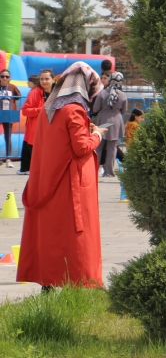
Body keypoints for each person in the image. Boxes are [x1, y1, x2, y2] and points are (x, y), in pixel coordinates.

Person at [18, 62, 105, 288]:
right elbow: (80, 147)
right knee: (74, 236)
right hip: (71, 182)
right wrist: (97, 136)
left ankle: (48, 282)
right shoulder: (74, 109)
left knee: (51, 233)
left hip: (49, 181)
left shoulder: (50, 108)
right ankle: (77, 280)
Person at [19, 70, 53, 175]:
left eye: (47, 79)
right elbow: (25, 111)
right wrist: (41, 110)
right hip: (37, 131)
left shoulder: (58, 92)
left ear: (53, 79)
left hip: (53, 130)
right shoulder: (35, 92)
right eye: (42, 79)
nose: (44, 81)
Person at [94, 71, 127, 178]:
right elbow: (124, 110)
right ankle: (109, 172)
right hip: (116, 121)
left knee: (98, 147)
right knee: (112, 148)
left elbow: (96, 108)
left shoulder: (102, 93)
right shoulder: (123, 95)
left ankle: (94, 170)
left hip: (103, 121)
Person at [0, 68, 22, 165]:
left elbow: (18, 96)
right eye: (2, 76)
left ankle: (8, 159)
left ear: (9, 78)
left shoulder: (12, 87)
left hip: (8, 113)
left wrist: (11, 104)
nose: (4, 78)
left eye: (7, 77)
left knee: (8, 136)